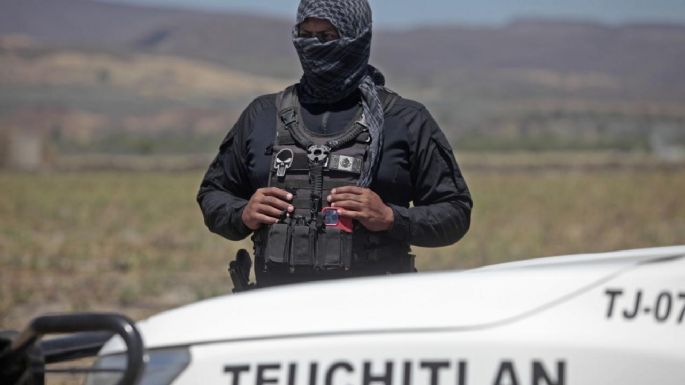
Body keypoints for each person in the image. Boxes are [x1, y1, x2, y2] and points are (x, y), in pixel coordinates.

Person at [197, 0, 472, 288]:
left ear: (358, 37)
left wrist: (391, 218)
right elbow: (213, 194)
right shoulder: (262, 115)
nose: (315, 46)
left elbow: (455, 212)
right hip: (277, 307)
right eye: (306, 35)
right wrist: (242, 214)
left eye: (328, 37)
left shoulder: (404, 119)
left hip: (375, 310)